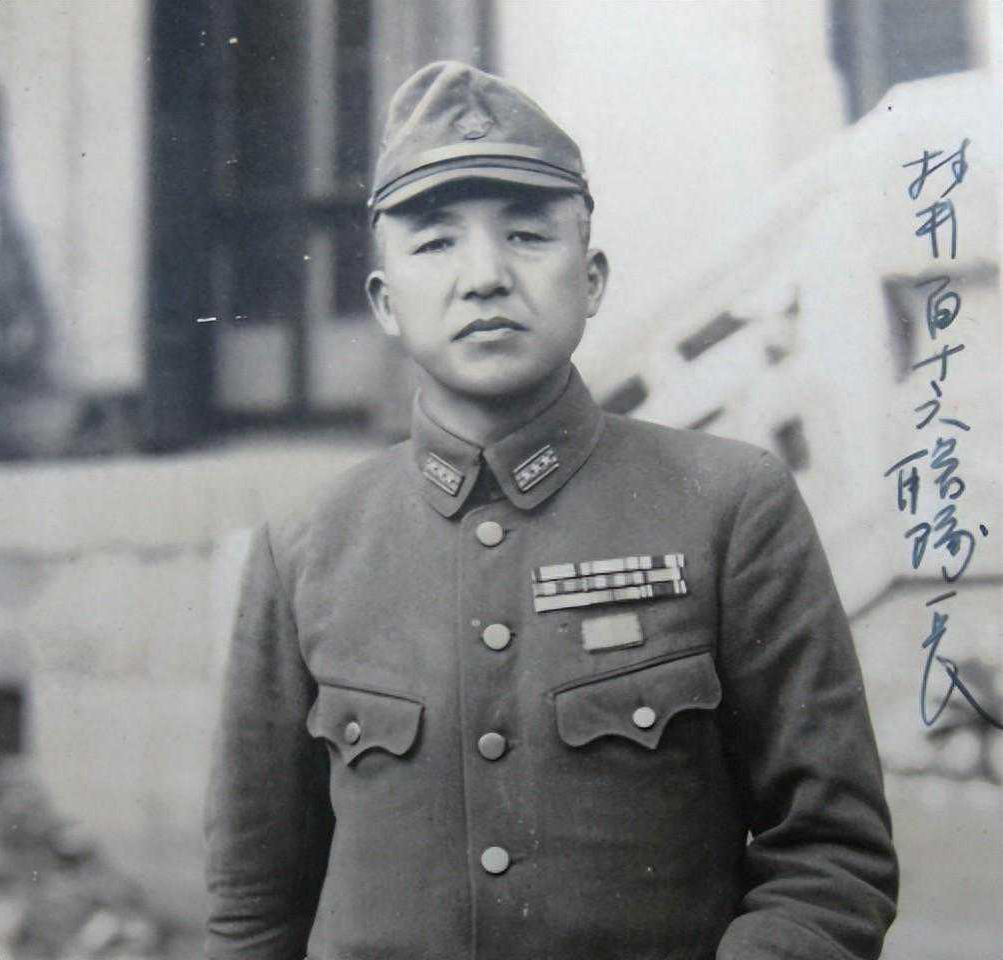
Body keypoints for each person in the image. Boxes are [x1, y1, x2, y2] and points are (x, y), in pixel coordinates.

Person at [205, 61, 898, 960]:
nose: (485, 277)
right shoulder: (307, 546)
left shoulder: (729, 507)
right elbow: (254, 907)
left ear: (594, 278)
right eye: (435, 244)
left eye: (528, 236)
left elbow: (832, 856)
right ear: (383, 302)